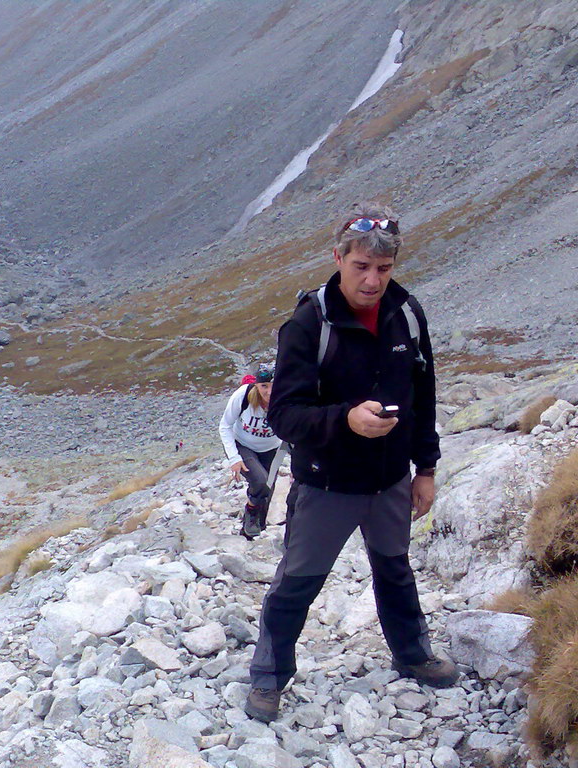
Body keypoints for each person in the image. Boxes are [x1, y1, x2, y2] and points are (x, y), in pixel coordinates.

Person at [244, 203, 458, 723]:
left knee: (395, 571)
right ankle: (269, 678)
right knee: (299, 579)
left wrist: (425, 469)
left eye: (383, 269)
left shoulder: (407, 313)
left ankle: (412, 655)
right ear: (338, 257)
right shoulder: (308, 322)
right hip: (327, 484)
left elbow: (423, 395)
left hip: (389, 479)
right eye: (361, 266)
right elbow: (286, 415)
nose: (372, 280)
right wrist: (346, 420)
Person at [218, 364, 290, 539]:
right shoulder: (243, 396)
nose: (270, 392)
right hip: (243, 444)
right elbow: (225, 425)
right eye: (264, 386)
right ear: (257, 386)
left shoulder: (287, 397)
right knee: (260, 481)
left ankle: (256, 529)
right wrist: (234, 458)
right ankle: (250, 513)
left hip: (272, 447)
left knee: (268, 488)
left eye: (274, 385)